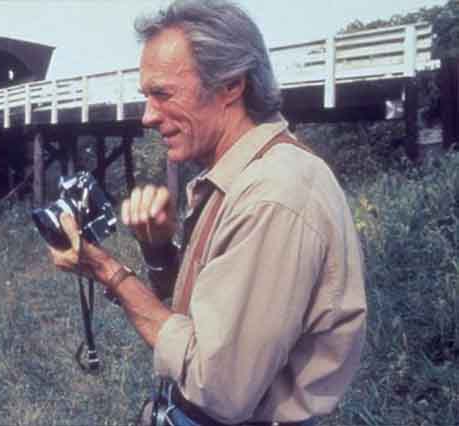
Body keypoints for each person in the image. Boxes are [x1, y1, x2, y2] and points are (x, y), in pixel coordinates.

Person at [48, 1, 367, 425]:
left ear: (231, 85)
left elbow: (218, 388)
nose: (147, 117)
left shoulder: (273, 195)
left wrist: (107, 271)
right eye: (146, 97)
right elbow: (208, 319)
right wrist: (159, 251)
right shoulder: (246, 175)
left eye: (163, 94)